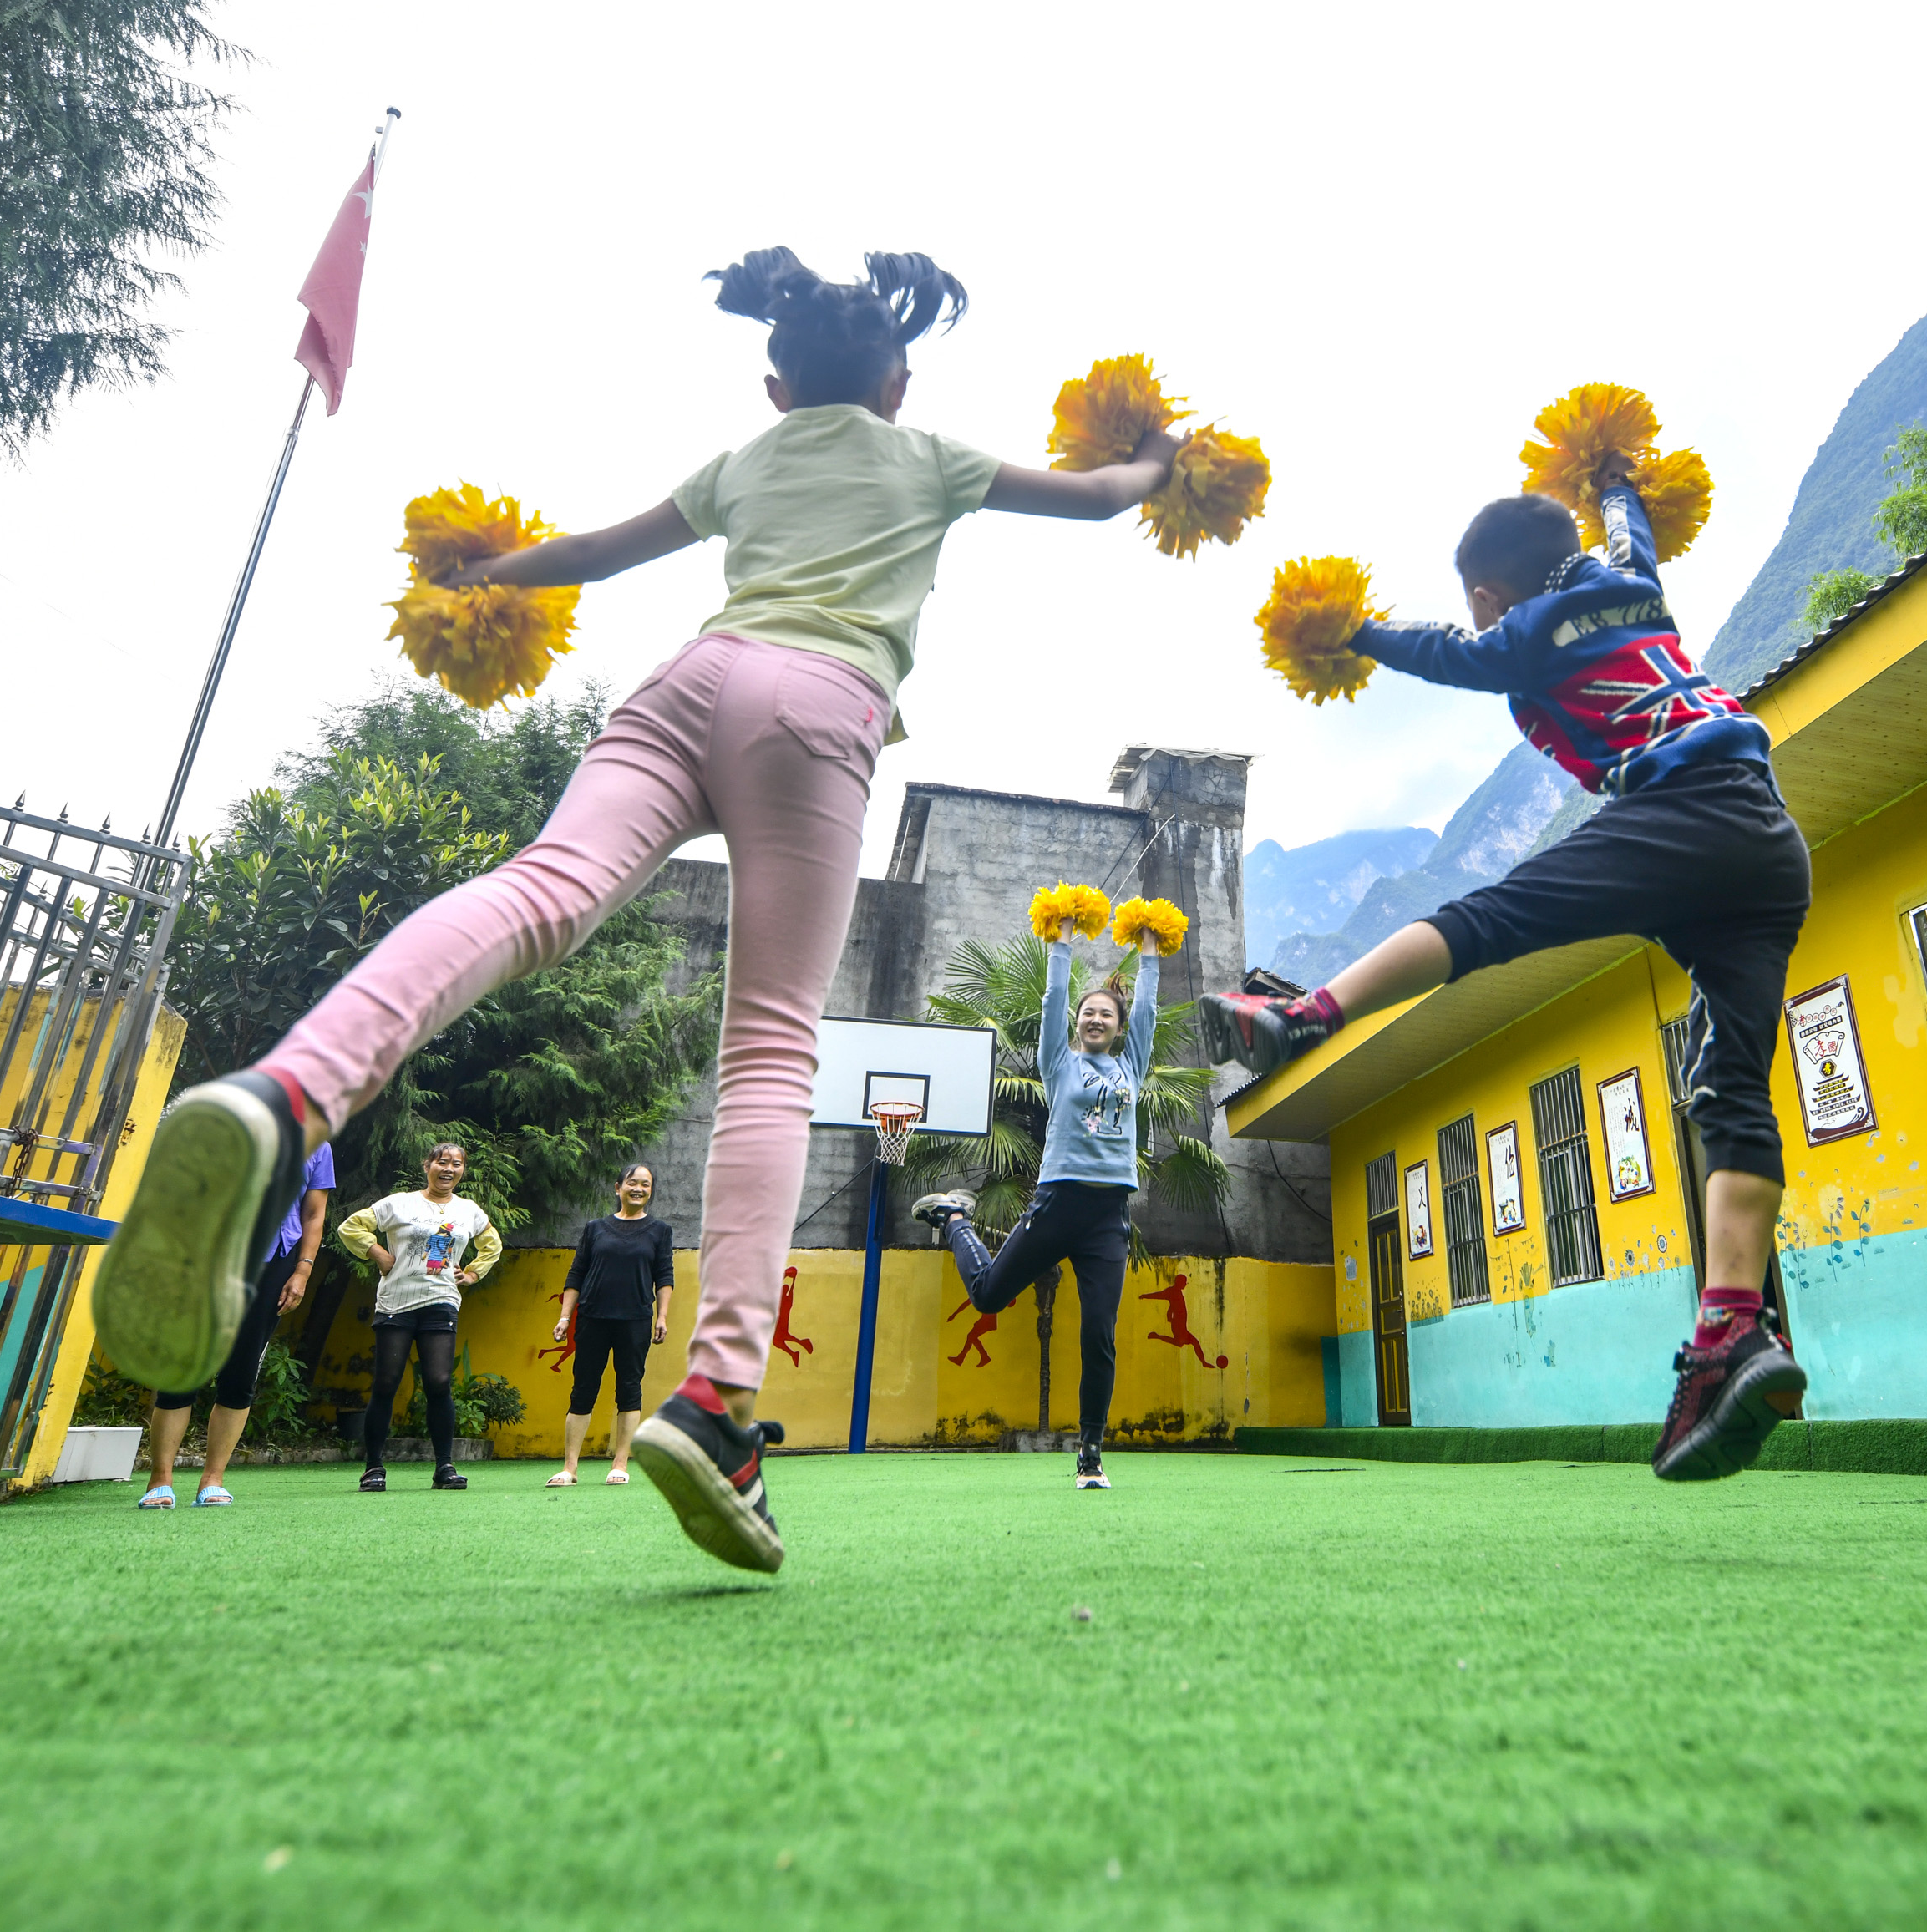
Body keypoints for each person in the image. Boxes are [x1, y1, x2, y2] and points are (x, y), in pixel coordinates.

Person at [95, 249, 1180, 1573]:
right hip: (821, 705)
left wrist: (486, 572)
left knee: (538, 889)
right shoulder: (929, 453)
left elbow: (592, 554)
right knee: (771, 1047)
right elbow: (1100, 497)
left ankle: (287, 1091)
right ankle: (717, 1398)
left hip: (687, 681)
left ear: (776, 385)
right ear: (898, 383)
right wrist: (1156, 456)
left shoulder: (744, 457)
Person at [1194, 475, 1812, 1483]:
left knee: (1488, 919)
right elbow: (1632, 534)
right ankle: (1732, 1330)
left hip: (1681, 809)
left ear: (1488, 593)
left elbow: (1448, 654)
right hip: (1767, 838)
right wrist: (1615, 483)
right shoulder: (1634, 586)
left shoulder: (1527, 630)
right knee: (1730, 1087)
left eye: (1478, 604)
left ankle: (1307, 1016)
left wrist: (1353, 630)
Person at [911, 934, 1160, 1490]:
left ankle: (1090, 1456)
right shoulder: (1059, 1063)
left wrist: (1149, 952)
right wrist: (1062, 944)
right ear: (1077, 1022)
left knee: (1099, 1335)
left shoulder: (1132, 1066)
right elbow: (1052, 1002)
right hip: (1056, 1204)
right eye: (1088, 1012)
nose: (1096, 1019)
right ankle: (955, 1219)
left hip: (1108, 1217)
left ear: (1120, 1028)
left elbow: (1148, 1009)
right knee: (988, 1296)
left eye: (1106, 1014)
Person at [137, 1144, 331, 1509]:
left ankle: (213, 1479)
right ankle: (160, 1479)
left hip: (273, 1264)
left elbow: (314, 1213)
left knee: (241, 1375)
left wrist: (303, 1270)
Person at [337, 1141, 501, 1493]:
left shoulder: (469, 1211)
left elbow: (492, 1245)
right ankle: (373, 1467)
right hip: (396, 1303)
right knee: (386, 1383)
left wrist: (472, 1273)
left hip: (441, 1301)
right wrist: (379, 1255)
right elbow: (350, 1227)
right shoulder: (399, 1203)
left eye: (456, 1164)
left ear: (462, 1171)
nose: (449, 1169)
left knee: (439, 1382)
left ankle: (445, 1467)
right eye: (442, 1162)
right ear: (427, 1166)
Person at [548, 1164, 673, 1488]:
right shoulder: (595, 1229)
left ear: (650, 1191)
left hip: (635, 1319)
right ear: (618, 1188)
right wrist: (565, 1317)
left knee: (629, 1388)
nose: (639, 1189)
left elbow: (664, 1276)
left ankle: (620, 1464)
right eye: (632, 1183)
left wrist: (661, 1316)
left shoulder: (660, 1231)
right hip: (593, 1318)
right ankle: (569, 1468)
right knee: (583, 1389)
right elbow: (576, 1273)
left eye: (645, 1184)